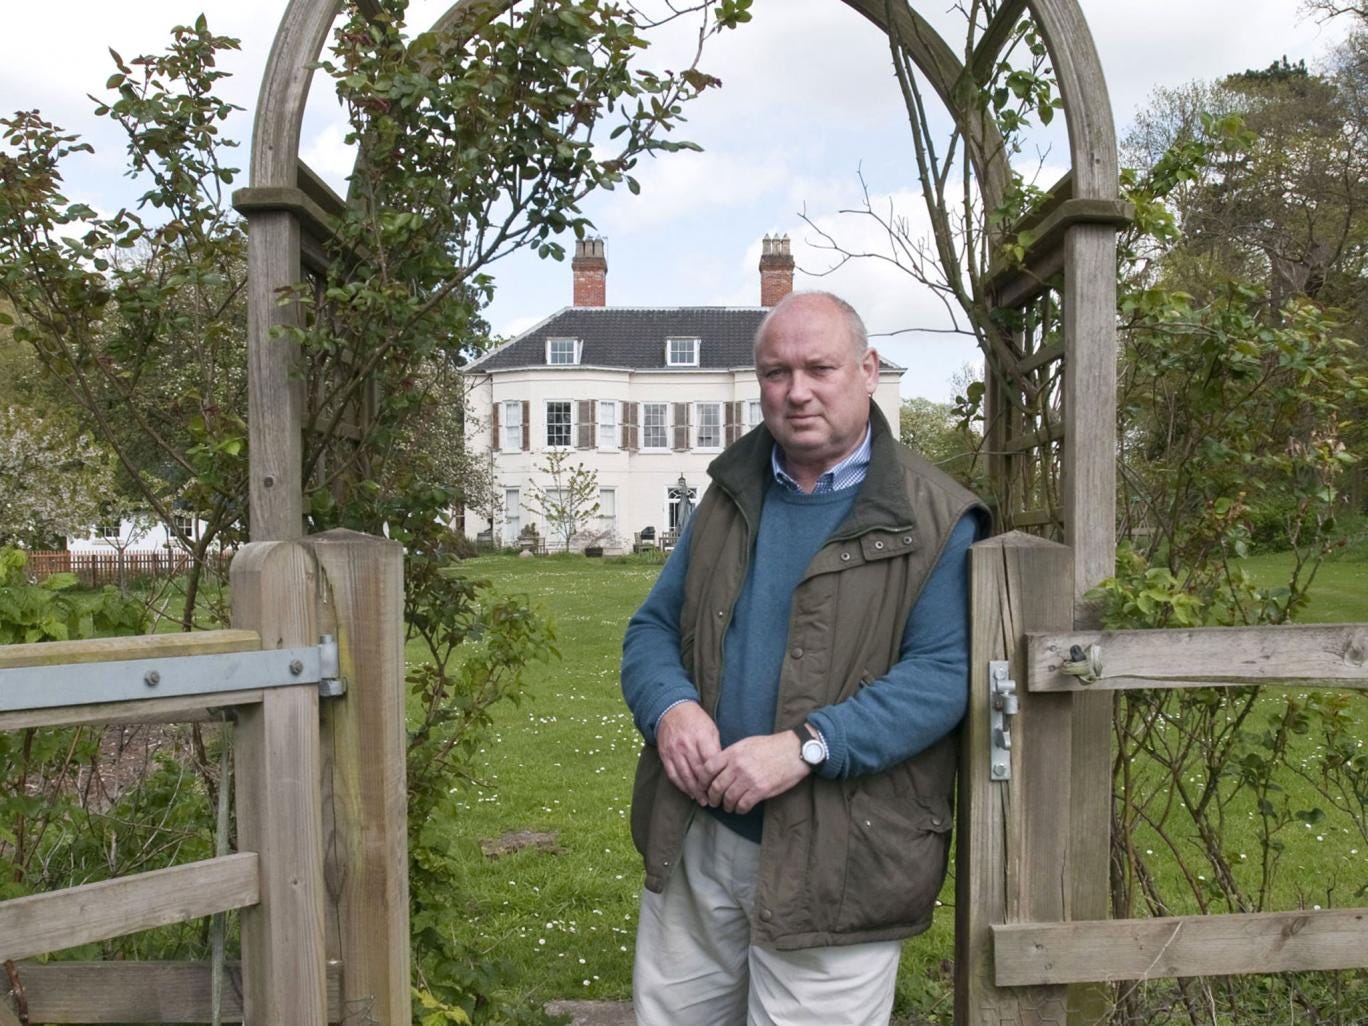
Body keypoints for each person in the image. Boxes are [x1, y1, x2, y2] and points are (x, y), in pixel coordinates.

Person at [621, 290, 988, 1026]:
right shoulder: (727, 496)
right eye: (775, 373)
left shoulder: (935, 516)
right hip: (702, 834)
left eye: (819, 368)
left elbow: (943, 676)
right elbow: (653, 628)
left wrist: (808, 746)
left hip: (841, 857)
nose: (796, 392)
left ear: (868, 370)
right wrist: (671, 707)